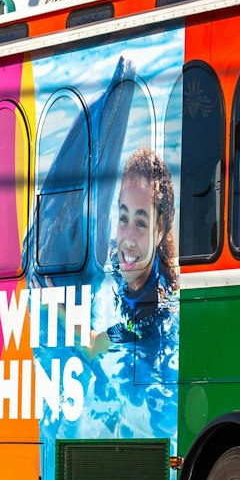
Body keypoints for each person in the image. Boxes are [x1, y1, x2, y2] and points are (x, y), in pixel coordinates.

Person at [93, 146, 179, 357]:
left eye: (140, 223)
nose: (128, 240)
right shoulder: (115, 255)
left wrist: (56, 309)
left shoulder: (154, 311)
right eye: (124, 218)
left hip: (149, 362)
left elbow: (92, 347)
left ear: (159, 231)